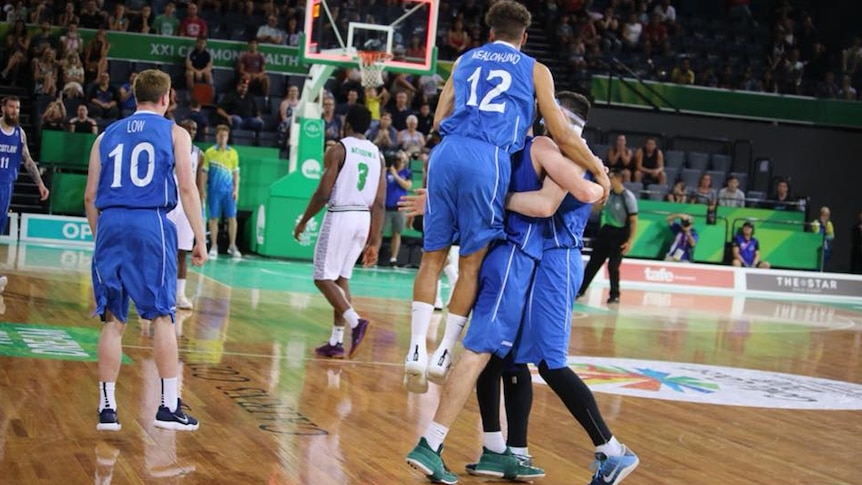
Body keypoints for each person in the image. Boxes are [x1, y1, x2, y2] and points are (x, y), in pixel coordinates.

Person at [403, 92, 617, 484]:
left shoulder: (508, 145)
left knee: (505, 357)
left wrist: (455, 198)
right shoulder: (546, 147)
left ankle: (499, 449)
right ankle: (431, 444)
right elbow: (551, 204)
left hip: (513, 255)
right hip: (519, 255)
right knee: (495, 353)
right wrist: (601, 180)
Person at [403, 0, 609, 400]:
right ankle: (444, 353)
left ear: (490, 33)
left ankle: (414, 348)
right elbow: (562, 132)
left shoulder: (464, 60)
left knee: (431, 257)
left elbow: (436, 120)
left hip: (445, 153)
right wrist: (598, 169)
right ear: (525, 37)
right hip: (488, 158)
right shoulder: (535, 69)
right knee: (470, 262)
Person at [468, 94, 638, 485]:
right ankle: (516, 452)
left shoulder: (573, 157)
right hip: (540, 258)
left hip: (558, 261)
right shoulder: (564, 152)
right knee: (511, 357)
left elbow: (545, 206)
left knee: (551, 361)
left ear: (564, 118)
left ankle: (612, 450)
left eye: (552, 110)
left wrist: (496, 199)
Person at [83, 69, 207, 431]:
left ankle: (107, 409)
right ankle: (168, 406)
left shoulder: (105, 135)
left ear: (133, 96)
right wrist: (200, 238)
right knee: (162, 316)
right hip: (150, 223)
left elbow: (90, 195)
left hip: (110, 223)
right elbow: (186, 188)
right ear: (167, 99)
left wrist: (100, 236)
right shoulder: (175, 133)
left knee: (113, 320)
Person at [293, 105, 384, 359]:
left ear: (347, 123)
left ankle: (356, 322)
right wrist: (375, 240)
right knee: (342, 279)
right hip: (363, 218)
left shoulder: (339, 149)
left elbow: (323, 193)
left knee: (322, 278)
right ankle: (336, 342)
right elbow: (379, 201)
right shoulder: (378, 155)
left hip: (341, 214)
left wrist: (304, 221)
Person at [0, 96, 51, 293]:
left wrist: (40, 183)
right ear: (3, 108)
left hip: (6, 186)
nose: (15, 111)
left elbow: (28, 160)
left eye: (18, 108)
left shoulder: (19, 133)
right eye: (11, 107)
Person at [578, 169, 639, 304]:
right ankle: (580, 290)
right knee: (593, 263)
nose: (609, 180)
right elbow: (597, 208)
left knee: (613, 266)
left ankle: (615, 295)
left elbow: (634, 221)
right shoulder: (609, 194)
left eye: (611, 178)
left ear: (618, 179)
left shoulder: (627, 197)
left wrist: (630, 241)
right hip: (606, 231)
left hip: (621, 234)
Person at [167, 120, 205, 309]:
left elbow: (199, 186)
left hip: (186, 206)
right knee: (161, 251)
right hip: (169, 201)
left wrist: (200, 210)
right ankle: (154, 291)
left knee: (182, 252)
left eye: (194, 128)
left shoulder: (199, 154)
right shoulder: (169, 145)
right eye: (188, 128)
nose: (191, 131)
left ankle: (179, 295)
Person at [201, 125, 242, 259]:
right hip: (214, 191)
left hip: (229, 192)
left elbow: (236, 174)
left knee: (232, 218)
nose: (222, 138)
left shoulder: (233, 153)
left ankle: (232, 246)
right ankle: (213, 246)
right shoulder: (209, 152)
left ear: (228, 137)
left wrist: (236, 189)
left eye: (224, 136)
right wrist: (202, 190)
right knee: (213, 218)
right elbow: (204, 173)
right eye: (220, 135)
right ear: (216, 136)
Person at [384, 151, 412, 266]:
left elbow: (407, 185)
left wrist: (396, 175)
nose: (400, 160)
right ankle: (372, 255)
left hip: (399, 207)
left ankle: (393, 259)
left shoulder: (407, 172)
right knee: (379, 232)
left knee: (397, 233)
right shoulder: (386, 171)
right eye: (398, 158)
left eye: (402, 158)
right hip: (386, 206)